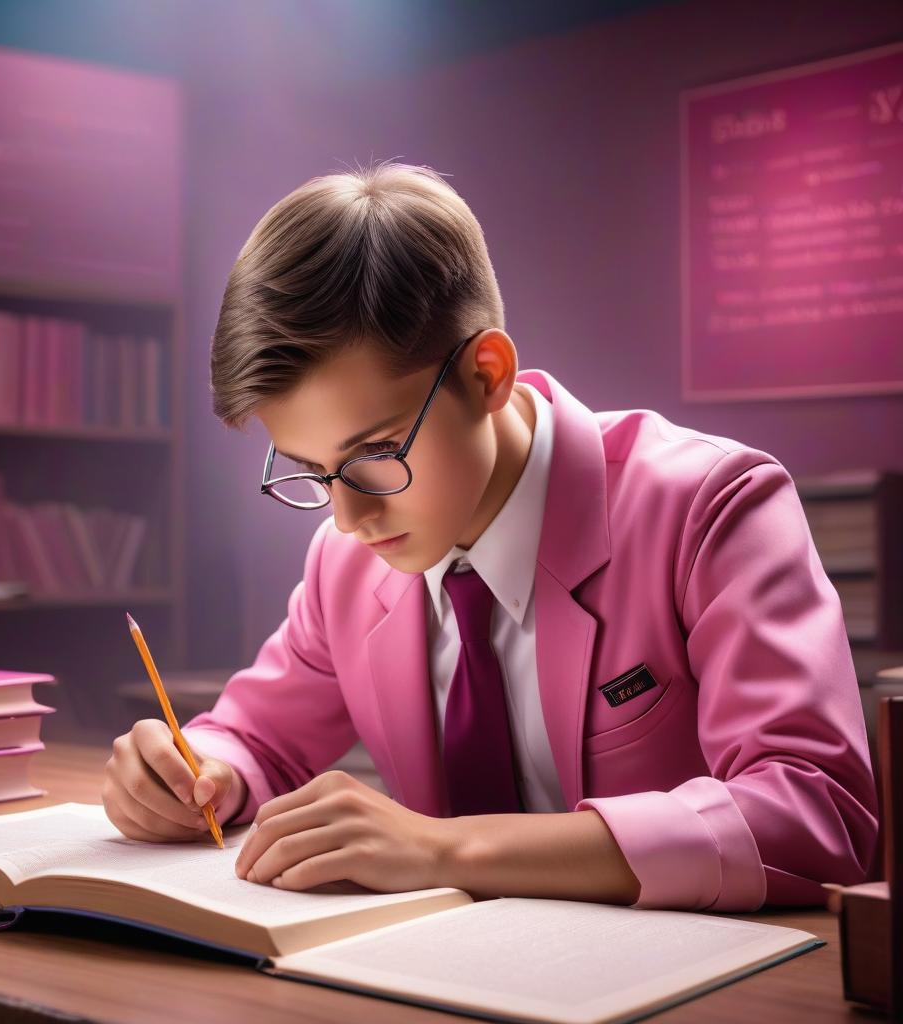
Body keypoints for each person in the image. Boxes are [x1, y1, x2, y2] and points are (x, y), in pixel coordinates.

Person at [102, 160, 878, 910]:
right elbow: (257, 740)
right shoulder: (346, 563)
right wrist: (198, 773)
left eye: (375, 454)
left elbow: (817, 812)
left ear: (487, 374)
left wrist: (446, 850)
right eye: (310, 468)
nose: (347, 518)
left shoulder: (711, 508)